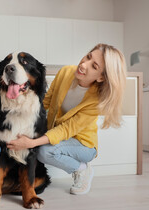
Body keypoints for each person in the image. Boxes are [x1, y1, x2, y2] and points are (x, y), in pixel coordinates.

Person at [7, 43, 126, 195]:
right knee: (38, 145)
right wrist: (22, 110)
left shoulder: (96, 101)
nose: (83, 65)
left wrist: (31, 142)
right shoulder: (66, 72)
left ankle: (83, 170)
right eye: (88, 57)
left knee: (43, 151)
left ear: (101, 77)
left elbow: (66, 129)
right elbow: (46, 102)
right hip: (60, 135)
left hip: (83, 145)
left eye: (94, 66)